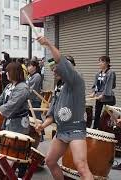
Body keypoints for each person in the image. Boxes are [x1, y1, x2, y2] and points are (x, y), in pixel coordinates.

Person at [35, 36, 93, 180]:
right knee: (50, 161)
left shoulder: (75, 79)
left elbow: (60, 61)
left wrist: (48, 44)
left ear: (68, 68)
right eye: (53, 68)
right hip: (62, 131)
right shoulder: (59, 87)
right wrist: (42, 126)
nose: (54, 71)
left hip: (75, 129)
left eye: (56, 68)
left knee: (81, 166)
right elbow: (53, 112)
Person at [0, 61, 31, 178]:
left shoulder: (23, 88)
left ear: (15, 73)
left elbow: (12, 104)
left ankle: (21, 174)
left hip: (19, 122)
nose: (6, 73)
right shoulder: (9, 85)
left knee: (19, 149)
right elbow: (2, 98)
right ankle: (12, 171)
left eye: (8, 71)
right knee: (11, 147)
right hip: (10, 120)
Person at [90, 56, 116, 129]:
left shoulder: (111, 73)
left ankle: (107, 129)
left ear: (107, 63)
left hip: (108, 97)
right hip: (99, 97)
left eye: (102, 61)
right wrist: (93, 93)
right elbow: (95, 85)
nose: (100, 63)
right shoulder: (98, 74)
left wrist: (103, 94)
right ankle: (95, 129)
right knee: (97, 113)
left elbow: (110, 85)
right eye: (99, 61)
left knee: (107, 115)